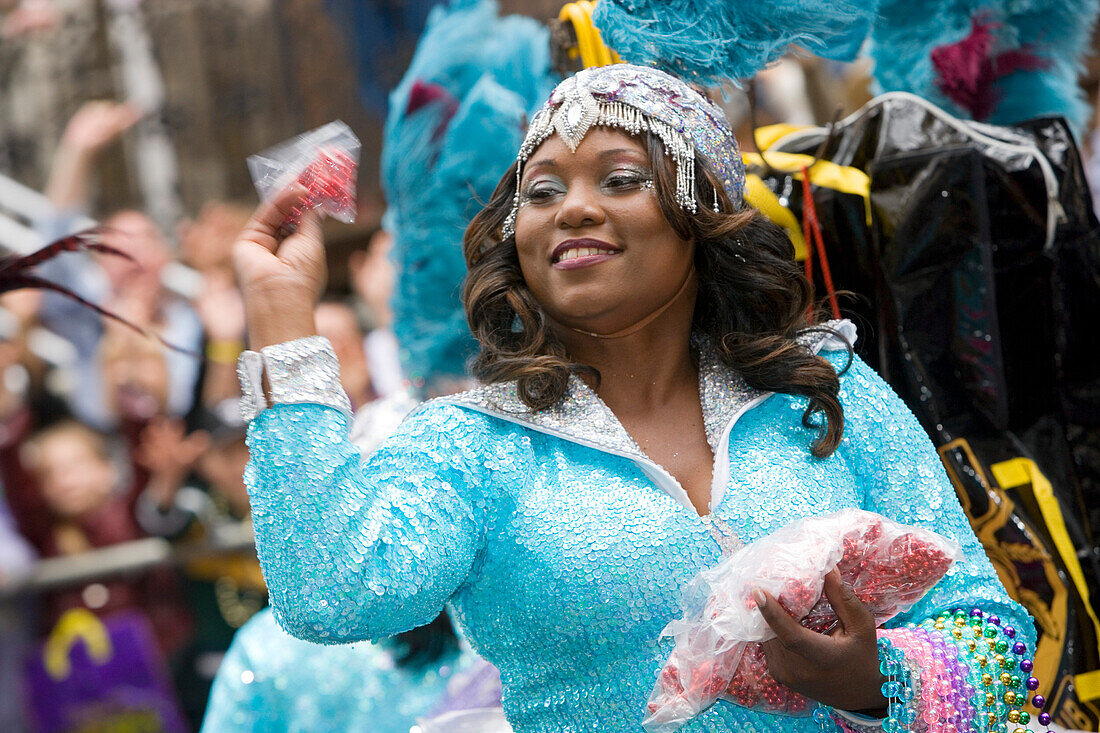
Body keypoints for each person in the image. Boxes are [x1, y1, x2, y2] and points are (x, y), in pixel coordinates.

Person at [231, 64, 1035, 732]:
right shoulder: (473, 443)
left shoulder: (821, 390)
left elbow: (992, 630)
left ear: (700, 217)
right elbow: (328, 593)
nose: (573, 207)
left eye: (619, 179)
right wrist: (279, 318)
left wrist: (875, 678)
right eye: (541, 192)